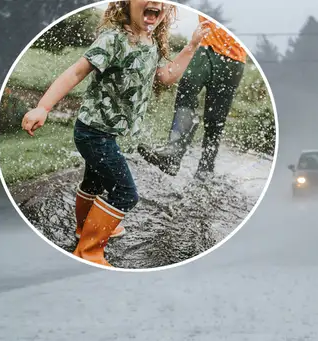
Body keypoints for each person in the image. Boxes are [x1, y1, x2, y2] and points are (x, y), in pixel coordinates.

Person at [20, 0, 210, 267]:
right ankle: (88, 251)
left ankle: (83, 228)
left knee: (94, 183)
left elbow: (166, 76)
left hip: (100, 133)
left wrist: (190, 47)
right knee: (125, 194)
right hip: (94, 133)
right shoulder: (114, 39)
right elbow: (76, 72)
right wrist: (43, 107)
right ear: (127, 3)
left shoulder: (151, 42)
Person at [137, 14, 247, 181]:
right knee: (188, 84)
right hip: (206, 46)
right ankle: (173, 154)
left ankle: (206, 169)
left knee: (215, 117)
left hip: (234, 58)